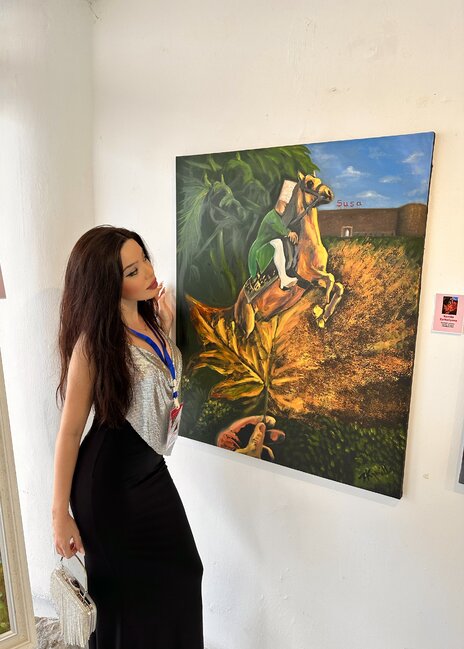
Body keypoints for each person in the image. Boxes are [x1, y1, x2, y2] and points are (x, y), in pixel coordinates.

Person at [51, 225, 204, 649]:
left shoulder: (152, 320)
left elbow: (157, 387)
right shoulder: (95, 345)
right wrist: (59, 513)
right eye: (133, 271)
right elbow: (69, 432)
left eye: (145, 260)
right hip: (108, 486)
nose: (149, 273)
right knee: (125, 601)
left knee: (185, 573)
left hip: (151, 472)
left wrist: (167, 330)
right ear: (107, 284)